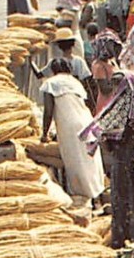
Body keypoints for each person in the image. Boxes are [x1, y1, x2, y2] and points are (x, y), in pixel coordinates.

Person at [80, 71, 134, 247]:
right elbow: (107, 146)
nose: (118, 90)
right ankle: (125, 245)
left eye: (121, 85)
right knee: (123, 206)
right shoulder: (112, 116)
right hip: (122, 167)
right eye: (115, 86)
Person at [39, 58, 105, 203]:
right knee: (90, 160)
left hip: (71, 125)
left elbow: (48, 111)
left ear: (53, 70)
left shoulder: (50, 83)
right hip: (86, 121)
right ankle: (97, 196)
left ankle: (83, 196)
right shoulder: (76, 83)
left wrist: (44, 134)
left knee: (76, 161)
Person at [90, 28, 123, 115]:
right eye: (112, 46)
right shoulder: (98, 66)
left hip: (116, 102)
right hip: (107, 104)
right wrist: (117, 80)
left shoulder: (112, 61)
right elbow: (105, 89)